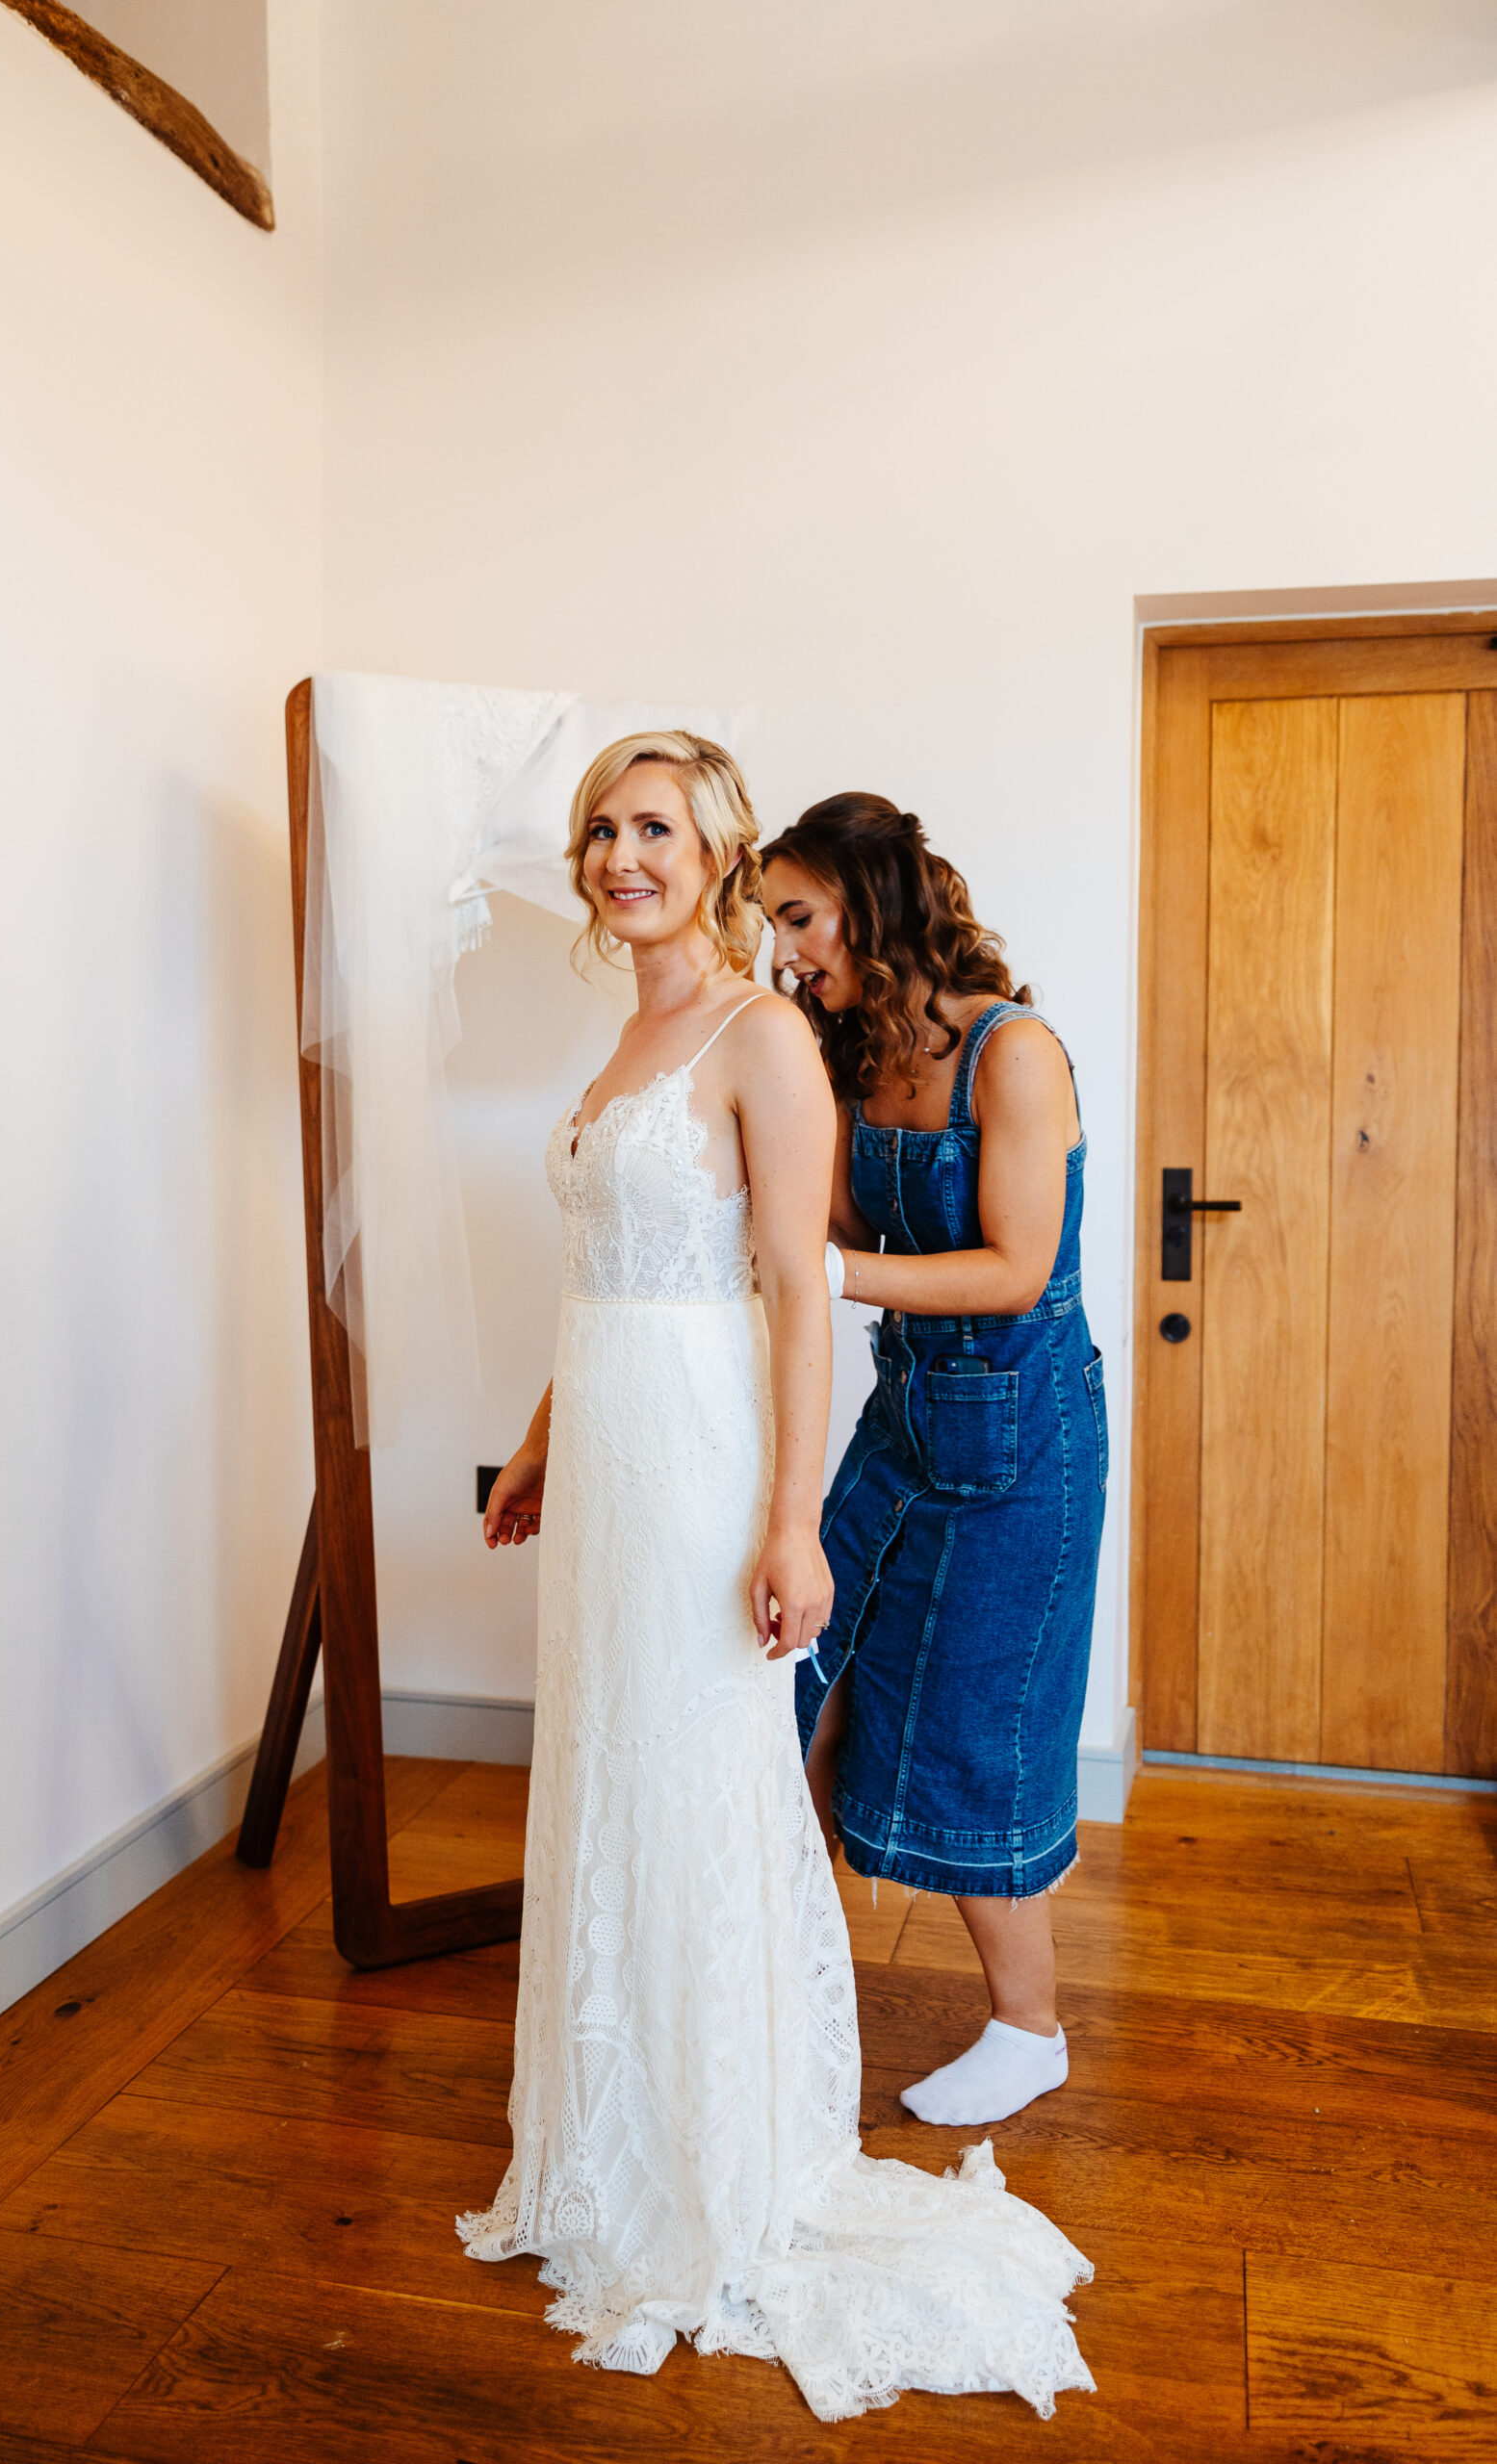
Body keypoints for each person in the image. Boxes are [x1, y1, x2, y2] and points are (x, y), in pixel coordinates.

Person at [463, 735, 1092, 2423]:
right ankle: (616, 2125)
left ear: (719, 851)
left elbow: (797, 1294)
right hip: (608, 1444)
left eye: (653, 825)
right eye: (600, 827)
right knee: (611, 1765)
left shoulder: (763, 1036)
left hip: (707, 1457)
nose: (617, 853)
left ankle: (724, 2145)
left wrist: (793, 1519)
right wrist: (538, 1437)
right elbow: (615, 1269)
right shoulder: (632, 1037)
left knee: (706, 1764)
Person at [761, 794, 1106, 2134]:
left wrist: (826, 1274)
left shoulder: (1013, 1054)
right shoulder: (855, 1053)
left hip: (1024, 1440)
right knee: (802, 1684)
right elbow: (833, 1205)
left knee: (977, 1727)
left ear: (872, 902)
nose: (786, 948)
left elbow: (1016, 1270)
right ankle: (783, 1983)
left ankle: (1030, 2031)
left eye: (799, 918)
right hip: (907, 1423)